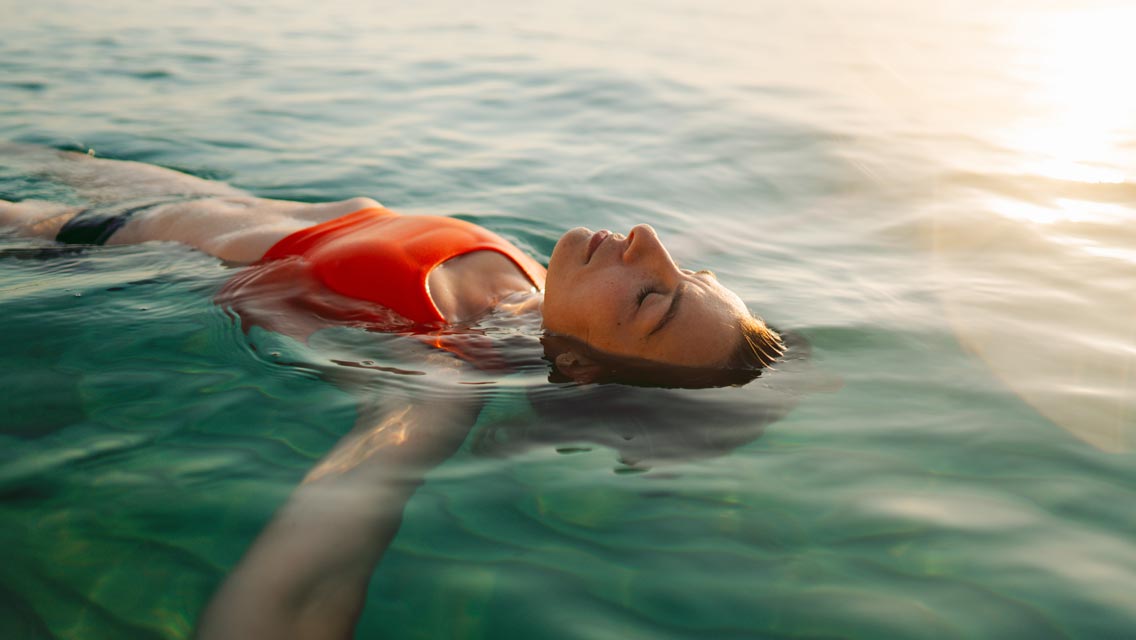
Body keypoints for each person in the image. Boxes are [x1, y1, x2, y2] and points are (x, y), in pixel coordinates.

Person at [0, 145, 786, 638]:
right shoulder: (537, 289)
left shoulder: (440, 378)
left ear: (578, 369)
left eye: (653, 298)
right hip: (179, 188)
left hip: (90, 238)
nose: (652, 246)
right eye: (688, 275)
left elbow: (310, 575)